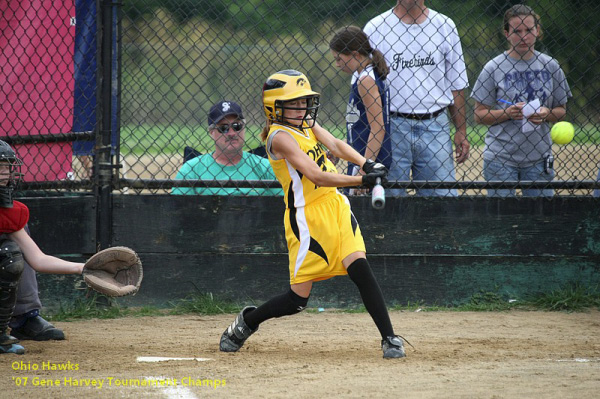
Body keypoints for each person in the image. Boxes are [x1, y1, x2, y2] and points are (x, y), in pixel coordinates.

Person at [218, 70, 407, 359]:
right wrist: (361, 181)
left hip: (335, 206)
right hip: (307, 218)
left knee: (360, 268)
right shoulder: (279, 137)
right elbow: (316, 175)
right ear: (274, 106)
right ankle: (248, 321)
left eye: (304, 101)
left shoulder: (306, 123)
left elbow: (336, 146)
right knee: (296, 300)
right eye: (293, 103)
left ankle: (390, 338)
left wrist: (366, 163)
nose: (301, 108)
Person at [364, 0, 470, 197]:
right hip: (390, 125)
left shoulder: (444, 25)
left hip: (435, 124)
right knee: (391, 200)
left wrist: (461, 130)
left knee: (442, 201)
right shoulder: (375, 27)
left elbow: (456, 84)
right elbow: (364, 82)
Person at [471, 4, 572, 197]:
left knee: (539, 217)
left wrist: (546, 114)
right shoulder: (493, 67)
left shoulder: (551, 66)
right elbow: (478, 115)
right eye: (517, 31)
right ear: (506, 33)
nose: (524, 37)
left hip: (539, 156)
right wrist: (506, 114)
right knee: (502, 219)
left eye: (529, 30)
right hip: (501, 157)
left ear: (538, 31)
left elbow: (561, 111)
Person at [0, 140, 84, 355]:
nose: (5, 174)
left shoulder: (10, 213)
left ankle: (5, 330)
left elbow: (38, 260)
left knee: (9, 255)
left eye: (7, 167)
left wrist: (84, 268)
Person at [329, 26, 392, 193]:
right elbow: (361, 125)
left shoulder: (366, 80)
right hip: (362, 158)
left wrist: (365, 170)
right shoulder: (366, 75)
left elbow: (378, 128)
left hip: (367, 161)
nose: (337, 64)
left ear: (355, 54)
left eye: (339, 59)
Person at [172, 100, 282, 196]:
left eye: (237, 126)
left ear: (244, 128)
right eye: (223, 128)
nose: (231, 133)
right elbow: (177, 210)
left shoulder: (265, 167)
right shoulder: (192, 170)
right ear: (211, 132)